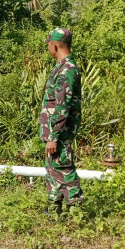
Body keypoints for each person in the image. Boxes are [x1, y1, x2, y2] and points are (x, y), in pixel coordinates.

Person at [39, 27, 83, 214]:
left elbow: (62, 106)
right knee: (53, 167)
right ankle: (54, 206)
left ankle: (75, 210)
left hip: (60, 131)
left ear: (55, 45)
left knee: (64, 168)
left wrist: (54, 136)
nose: (48, 47)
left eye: (49, 44)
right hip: (54, 130)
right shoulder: (61, 67)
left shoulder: (67, 71)